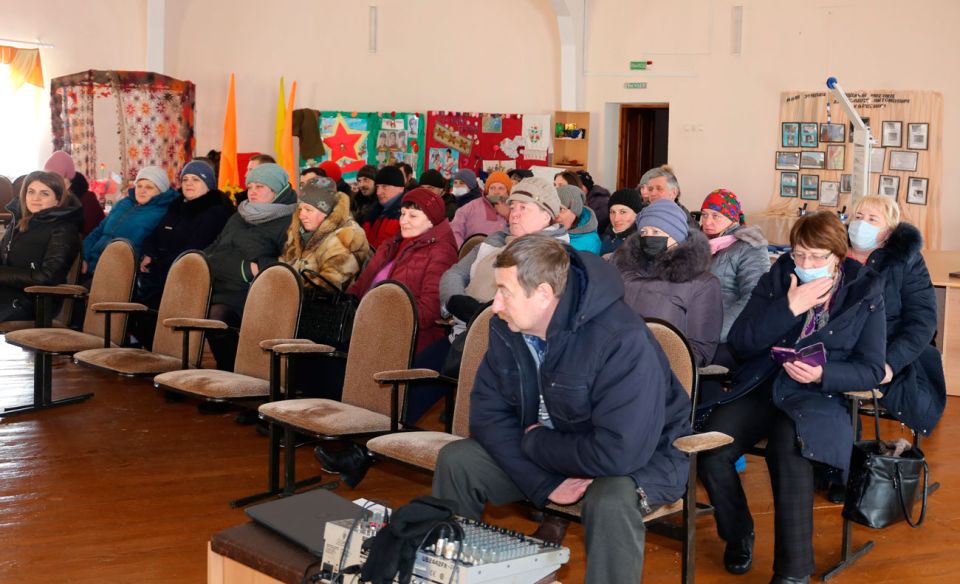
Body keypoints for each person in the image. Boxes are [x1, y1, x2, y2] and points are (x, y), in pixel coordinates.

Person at [433, 235, 692, 584]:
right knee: (459, 461)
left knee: (610, 499)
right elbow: (486, 416)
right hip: (553, 451)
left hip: (642, 459)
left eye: (505, 292)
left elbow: (620, 452)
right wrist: (546, 482)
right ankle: (450, 574)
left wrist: (536, 442)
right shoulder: (507, 328)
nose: (495, 305)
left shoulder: (620, 338)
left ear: (543, 294)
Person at [697, 211, 886, 583]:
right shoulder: (779, 275)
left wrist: (823, 374)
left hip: (817, 396)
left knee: (790, 453)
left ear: (838, 255)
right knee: (712, 450)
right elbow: (742, 341)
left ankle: (793, 571)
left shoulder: (864, 289)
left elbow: (872, 369)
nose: (806, 264)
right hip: (762, 385)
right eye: (800, 254)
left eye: (817, 257)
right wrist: (789, 308)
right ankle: (738, 531)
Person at [348, 188, 458, 422]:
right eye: (403, 213)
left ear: (432, 220)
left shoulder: (441, 251)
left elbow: (429, 310)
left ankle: (366, 426)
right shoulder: (395, 242)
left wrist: (381, 320)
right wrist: (348, 304)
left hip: (408, 336)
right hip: (369, 325)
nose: (404, 220)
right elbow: (363, 284)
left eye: (413, 216)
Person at [846, 195, 944, 436]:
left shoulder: (906, 261)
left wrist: (891, 362)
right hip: (838, 345)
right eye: (858, 216)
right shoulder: (831, 253)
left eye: (872, 219)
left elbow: (922, 321)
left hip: (886, 347)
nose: (862, 224)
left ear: (889, 231)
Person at [129, 160, 234, 347]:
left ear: (208, 185)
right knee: (130, 297)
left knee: (142, 305)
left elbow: (193, 250)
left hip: (186, 275)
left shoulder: (215, 212)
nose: (189, 183)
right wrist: (148, 254)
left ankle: (162, 349)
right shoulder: (177, 206)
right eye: (185, 179)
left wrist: (156, 266)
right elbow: (154, 235)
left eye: (196, 179)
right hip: (162, 269)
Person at [204, 163, 297, 371]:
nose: (252, 192)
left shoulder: (289, 220)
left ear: (277, 190)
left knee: (216, 316)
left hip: (251, 291)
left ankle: (230, 371)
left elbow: (289, 263)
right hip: (219, 282)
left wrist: (251, 270)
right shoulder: (240, 214)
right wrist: (201, 259)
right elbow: (217, 244)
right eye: (250, 187)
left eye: (260, 187)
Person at [440, 177, 568, 326]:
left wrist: (480, 315)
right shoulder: (495, 240)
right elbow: (456, 273)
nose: (514, 214)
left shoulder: (554, 255)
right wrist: (455, 300)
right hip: (462, 326)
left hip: (501, 332)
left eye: (523, 208)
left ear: (546, 216)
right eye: (512, 208)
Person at [611, 199, 722, 366]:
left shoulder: (702, 284)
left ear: (677, 237)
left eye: (656, 232)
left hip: (661, 370)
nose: (648, 237)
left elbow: (700, 350)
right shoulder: (625, 271)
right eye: (644, 232)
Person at [0, 171, 82, 322]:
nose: (35, 198)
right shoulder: (20, 223)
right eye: (31, 192)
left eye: (44, 193)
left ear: (58, 200)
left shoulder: (64, 228)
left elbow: (49, 276)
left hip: (36, 302)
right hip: (8, 293)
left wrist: (2, 274)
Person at [699, 189, 770, 351]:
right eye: (704, 215)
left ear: (732, 219)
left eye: (716, 216)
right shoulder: (700, 244)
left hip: (725, 334)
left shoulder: (750, 247)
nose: (707, 222)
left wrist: (715, 333)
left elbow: (754, 296)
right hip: (697, 324)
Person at [82, 166, 177, 275]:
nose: (142, 191)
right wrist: (83, 256)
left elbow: (155, 245)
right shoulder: (124, 203)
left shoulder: (164, 212)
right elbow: (98, 231)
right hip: (92, 263)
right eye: (139, 186)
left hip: (120, 271)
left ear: (161, 191)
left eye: (149, 187)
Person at [280, 177, 370, 292]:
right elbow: (284, 265)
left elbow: (329, 284)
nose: (301, 215)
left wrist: (286, 291)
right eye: (300, 209)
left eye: (308, 210)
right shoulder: (298, 230)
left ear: (326, 212)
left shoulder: (347, 236)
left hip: (320, 301)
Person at [42, 151, 104, 236]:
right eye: (48, 178)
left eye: (56, 178)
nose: (51, 183)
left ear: (68, 179)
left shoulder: (87, 199)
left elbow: (90, 234)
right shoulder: (50, 196)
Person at [450, 170, 509, 246]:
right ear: (487, 190)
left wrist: (508, 215)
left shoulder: (514, 207)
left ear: (508, 191)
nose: (496, 192)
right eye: (492, 188)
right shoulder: (470, 207)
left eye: (501, 188)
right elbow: (455, 231)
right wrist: (463, 250)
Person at [360, 166, 406, 249]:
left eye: (384, 186)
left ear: (400, 188)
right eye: (377, 187)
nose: (378, 192)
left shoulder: (408, 215)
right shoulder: (373, 212)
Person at [556, 184, 601, 254]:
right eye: (555, 209)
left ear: (575, 210)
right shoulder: (551, 230)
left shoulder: (590, 241)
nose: (556, 215)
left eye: (561, 209)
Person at [600, 188, 642, 255]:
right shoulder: (607, 236)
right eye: (612, 212)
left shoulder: (641, 244)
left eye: (623, 212)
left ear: (637, 214)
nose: (616, 219)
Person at [576, 170, 611, 235]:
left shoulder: (602, 201)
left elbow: (594, 225)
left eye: (580, 186)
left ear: (587, 186)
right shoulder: (582, 198)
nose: (577, 189)